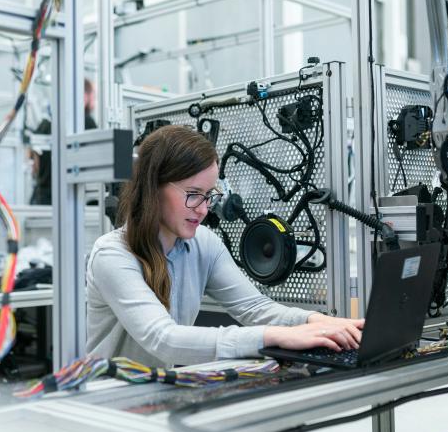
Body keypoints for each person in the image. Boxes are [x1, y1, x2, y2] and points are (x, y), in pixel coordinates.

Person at [86, 125, 364, 367]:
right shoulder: (113, 254)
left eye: (209, 196)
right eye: (194, 195)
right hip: (109, 403)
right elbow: (164, 339)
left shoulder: (203, 243)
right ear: (153, 188)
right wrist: (274, 336)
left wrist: (319, 322)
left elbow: (255, 308)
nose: (204, 209)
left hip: (157, 392)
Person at [29, 79, 97, 205]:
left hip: (42, 199)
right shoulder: (86, 122)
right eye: (93, 94)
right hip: (70, 199)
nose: (94, 100)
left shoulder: (45, 124)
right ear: (84, 95)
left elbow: (34, 165)